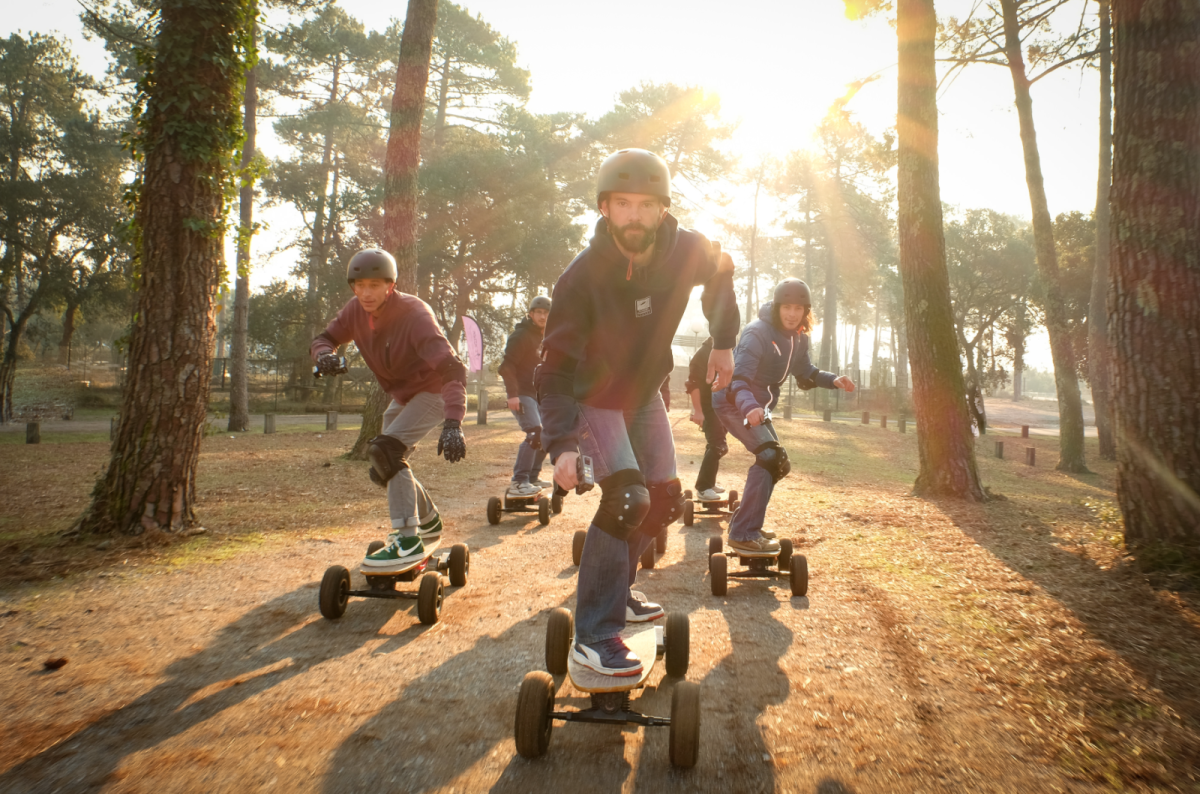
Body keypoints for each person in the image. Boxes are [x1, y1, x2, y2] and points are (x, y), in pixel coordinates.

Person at [538, 148, 740, 677]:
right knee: (627, 497)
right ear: (604, 208)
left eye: (646, 205)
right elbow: (553, 370)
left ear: (662, 209)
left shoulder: (686, 249)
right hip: (593, 395)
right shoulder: (580, 278)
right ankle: (593, 635)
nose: (635, 215)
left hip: (643, 390)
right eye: (623, 203)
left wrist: (723, 341)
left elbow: (721, 267)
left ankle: (618, 592)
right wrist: (561, 444)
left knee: (664, 498)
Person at [311, 249, 468, 571]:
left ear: (390, 285)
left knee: (385, 452)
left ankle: (407, 539)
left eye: (374, 285)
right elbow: (325, 338)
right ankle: (428, 520)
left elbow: (452, 368)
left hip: (434, 389)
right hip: (404, 395)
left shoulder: (414, 314)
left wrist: (453, 422)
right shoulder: (355, 311)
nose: (366, 293)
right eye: (359, 285)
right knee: (383, 466)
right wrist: (324, 355)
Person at [713, 278, 855, 553]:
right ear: (777, 307)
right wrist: (749, 407)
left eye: (798, 308)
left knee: (779, 463)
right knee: (769, 456)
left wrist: (833, 380)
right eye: (787, 307)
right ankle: (744, 533)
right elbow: (738, 380)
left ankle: (745, 524)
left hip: (756, 405)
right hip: (734, 401)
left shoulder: (798, 338)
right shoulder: (757, 333)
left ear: (806, 311)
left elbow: (806, 373)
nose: (792, 313)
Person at [499, 296, 553, 496]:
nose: (543, 317)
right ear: (531, 314)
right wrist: (512, 395)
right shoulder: (521, 335)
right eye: (539, 312)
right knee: (534, 433)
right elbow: (507, 366)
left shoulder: (546, 338)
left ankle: (532, 477)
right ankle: (519, 481)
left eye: (546, 313)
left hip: (538, 395)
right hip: (522, 393)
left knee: (548, 434)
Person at [684, 336, 729, 502]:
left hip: (721, 407)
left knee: (714, 445)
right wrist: (698, 411)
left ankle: (709, 482)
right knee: (718, 446)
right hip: (708, 408)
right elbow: (693, 384)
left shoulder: (725, 351)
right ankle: (703, 488)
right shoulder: (703, 354)